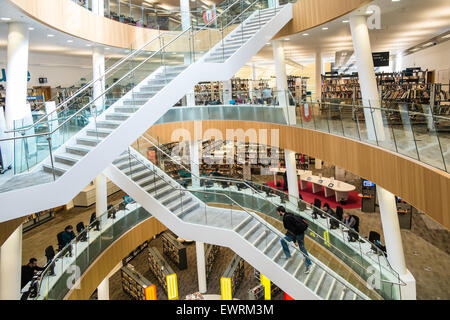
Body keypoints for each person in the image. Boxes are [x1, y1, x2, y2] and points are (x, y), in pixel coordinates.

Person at [277, 206, 312, 273]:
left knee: (283, 241)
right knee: (302, 249)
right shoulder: (289, 214)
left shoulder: (286, 218)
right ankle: (308, 264)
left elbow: (292, 230)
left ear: (280, 212)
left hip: (296, 235)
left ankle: (288, 256)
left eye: (278, 212)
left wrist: (295, 241)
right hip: (301, 233)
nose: (278, 213)